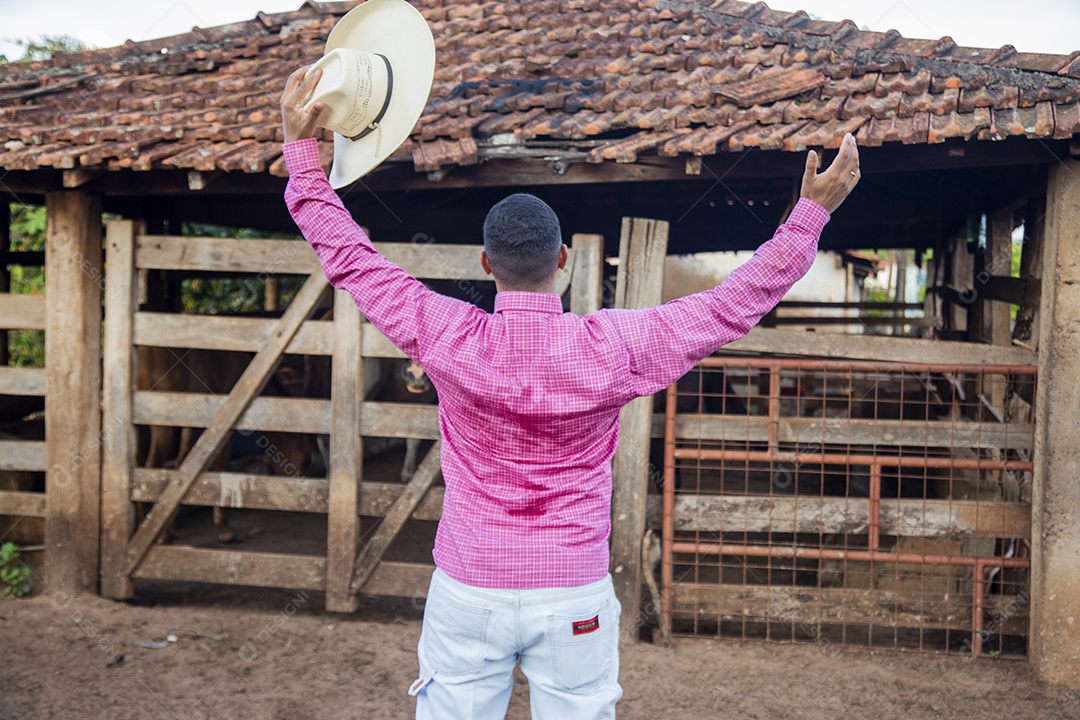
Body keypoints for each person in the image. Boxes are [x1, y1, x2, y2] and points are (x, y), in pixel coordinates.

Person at [280, 66, 860, 720]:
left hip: (470, 587)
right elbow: (732, 305)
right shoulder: (612, 345)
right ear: (564, 261)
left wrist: (302, 155)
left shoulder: (442, 331)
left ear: (485, 264)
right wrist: (812, 212)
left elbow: (350, 257)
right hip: (572, 589)